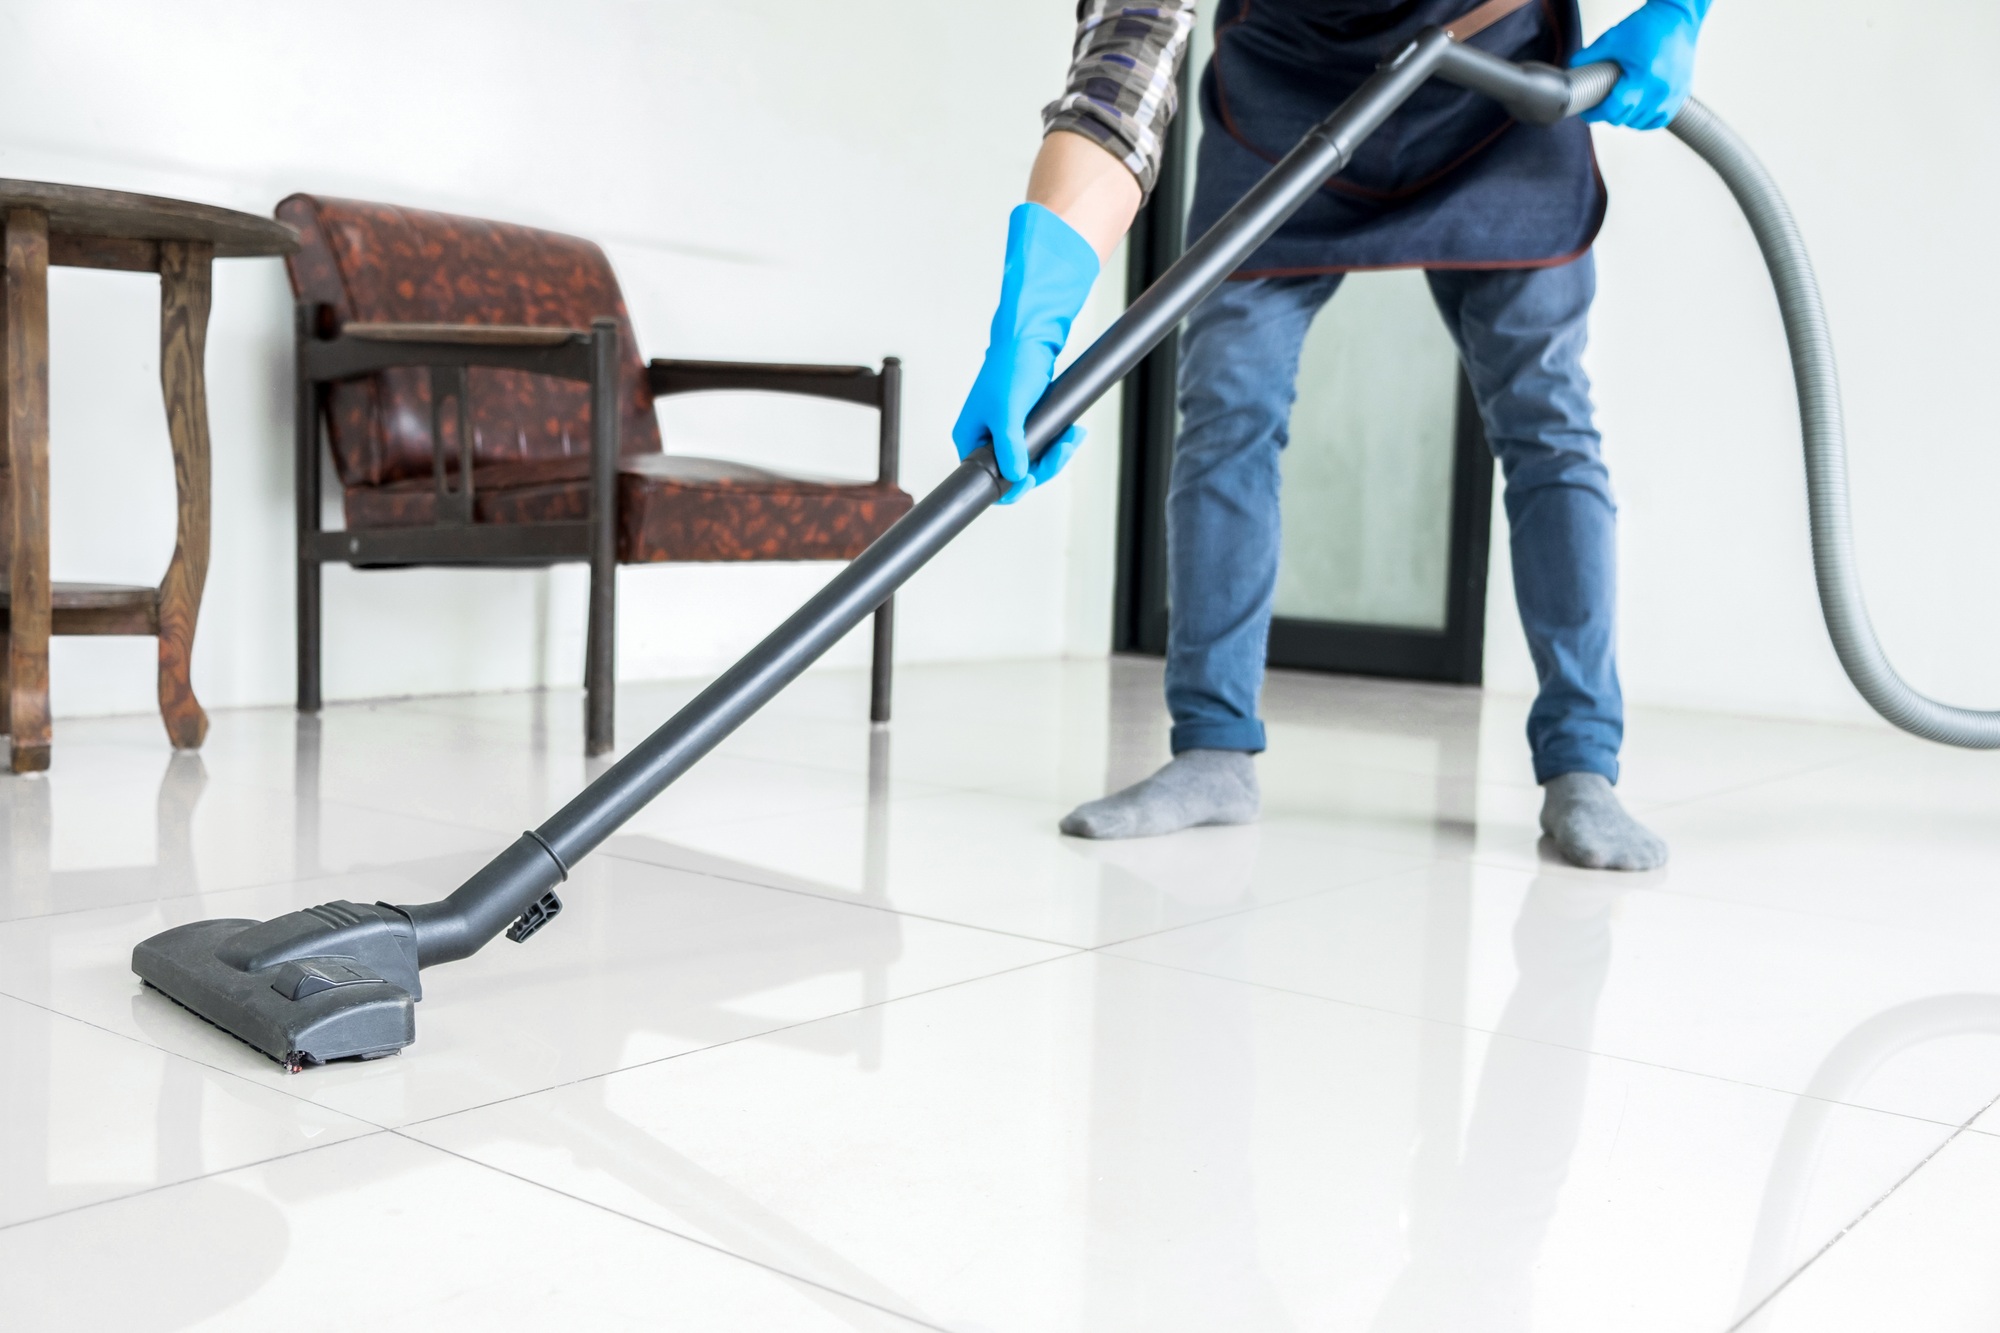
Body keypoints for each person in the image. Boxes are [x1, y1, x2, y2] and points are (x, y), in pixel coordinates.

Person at [952, 0, 1714, 871]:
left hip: (1492, 84)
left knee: (1546, 417)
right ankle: (1211, 752)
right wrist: (1035, 310)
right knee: (1226, 406)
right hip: (1286, 100)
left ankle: (1583, 767)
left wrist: (1680, 7)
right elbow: (1121, 72)